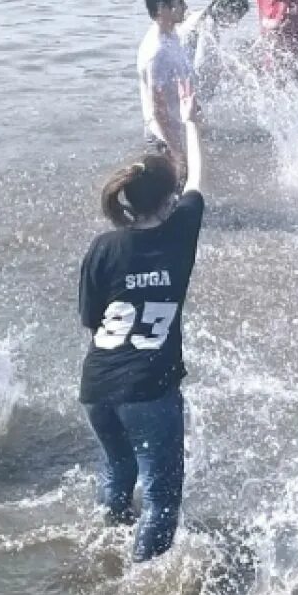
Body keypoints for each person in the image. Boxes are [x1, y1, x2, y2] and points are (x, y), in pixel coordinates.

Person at [77, 96, 206, 561]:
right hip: (149, 391)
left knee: (117, 471)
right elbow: (197, 180)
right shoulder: (181, 231)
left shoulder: (104, 246)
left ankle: (104, 551)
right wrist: (192, 124)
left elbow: (89, 320)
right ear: (169, 201)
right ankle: (140, 581)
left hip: (97, 385)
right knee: (162, 496)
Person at [137, 0, 196, 166]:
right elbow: (158, 109)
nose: (184, 7)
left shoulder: (170, 32)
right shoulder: (157, 52)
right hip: (163, 141)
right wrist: (177, 153)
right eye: (179, 3)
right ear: (162, 8)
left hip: (176, 131)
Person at [178, 0, 250, 100]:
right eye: (237, 17)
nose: (235, 23)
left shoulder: (201, 15)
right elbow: (201, 65)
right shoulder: (209, 27)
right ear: (228, 11)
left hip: (177, 69)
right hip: (186, 82)